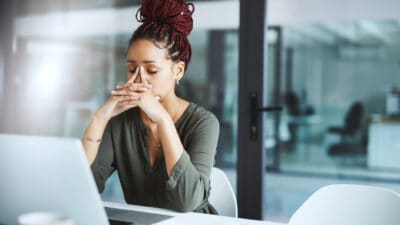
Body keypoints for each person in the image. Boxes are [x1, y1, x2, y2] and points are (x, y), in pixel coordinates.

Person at [81, 0, 220, 214]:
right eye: (131, 68)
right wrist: (100, 117)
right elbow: (84, 186)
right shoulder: (120, 121)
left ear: (178, 71)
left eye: (152, 70)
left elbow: (187, 203)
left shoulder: (203, 123)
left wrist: (163, 120)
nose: (138, 79)